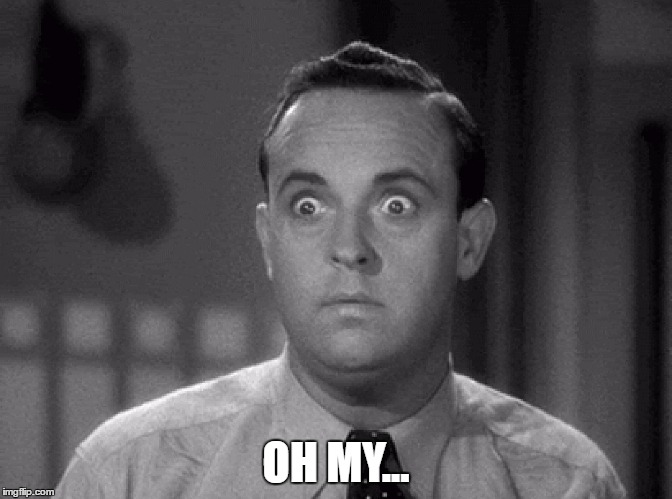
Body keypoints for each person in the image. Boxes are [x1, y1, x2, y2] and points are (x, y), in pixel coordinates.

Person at [56, 41, 626, 498]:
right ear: (268, 243)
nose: (349, 248)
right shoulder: (129, 476)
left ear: (469, 242)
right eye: (309, 207)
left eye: (396, 205)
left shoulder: (566, 483)